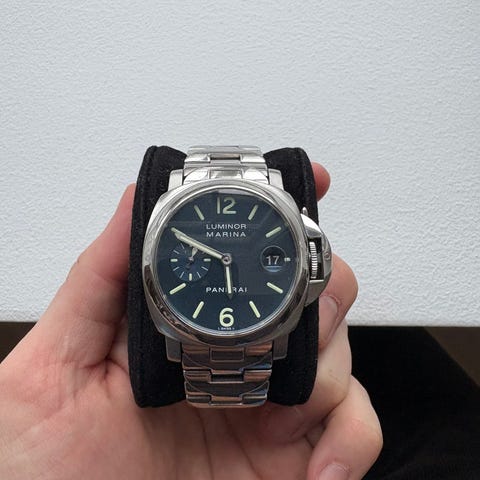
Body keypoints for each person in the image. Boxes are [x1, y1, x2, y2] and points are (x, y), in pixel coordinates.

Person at [0, 164, 383, 479]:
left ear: (312, 264)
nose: (227, 260)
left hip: (258, 328)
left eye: (231, 257)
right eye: (220, 257)